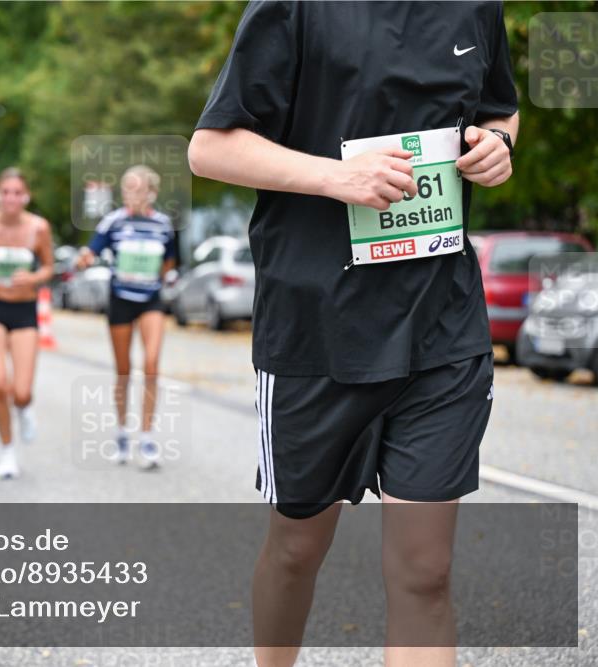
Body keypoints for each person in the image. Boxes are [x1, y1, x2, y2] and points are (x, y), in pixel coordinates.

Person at [189, 2, 518, 666]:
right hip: (317, 330)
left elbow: (499, 108)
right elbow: (211, 148)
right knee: (297, 548)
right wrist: (338, 177)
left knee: (425, 571)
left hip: (441, 325)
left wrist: (498, 145)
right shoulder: (295, 6)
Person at [77, 165, 177, 469]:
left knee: (151, 364)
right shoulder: (114, 222)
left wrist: (164, 277)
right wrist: (84, 258)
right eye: (126, 190)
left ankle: (146, 437)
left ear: (151, 193)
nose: (130, 195)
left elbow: (170, 260)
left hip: (150, 301)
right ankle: (122, 431)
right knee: (123, 370)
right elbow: (91, 250)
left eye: (137, 189)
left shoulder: (164, 225)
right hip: (120, 300)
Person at [0, 168, 54, 479]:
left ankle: (25, 408)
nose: (11, 198)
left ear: (25, 196)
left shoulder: (38, 228)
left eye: (17, 192)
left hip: (24, 310)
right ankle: (6, 452)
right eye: (5, 192)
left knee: (21, 391)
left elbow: (48, 268)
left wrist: (32, 277)